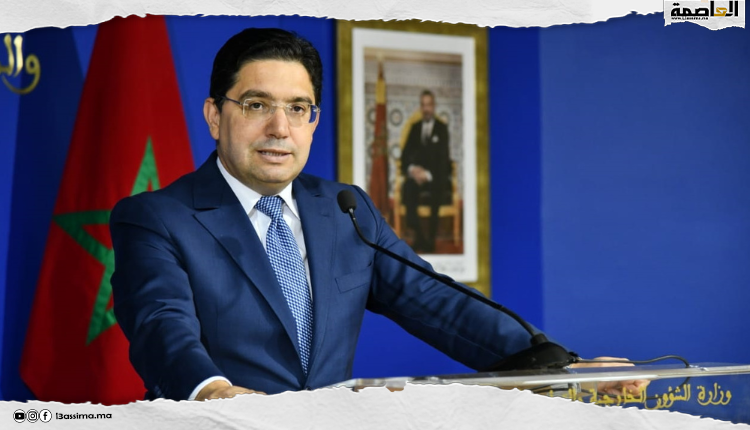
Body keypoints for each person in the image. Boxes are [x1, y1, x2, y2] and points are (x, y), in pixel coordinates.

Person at [110, 28, 646, 402]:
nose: (279, 128)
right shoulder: (156, 218)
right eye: (257, 105)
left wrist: (558, 367)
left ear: (313, 121)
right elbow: (161, 327)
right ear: (214, 116)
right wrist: (215, 393)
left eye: (297, 108)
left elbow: (439, 304)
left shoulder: (344, 210)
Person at [400, 90, 452, 253]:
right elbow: (405, 155)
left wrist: (427, 174)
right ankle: (419, 236)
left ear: (434, 106)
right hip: (417, 177)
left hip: (434, 177)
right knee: (408, 187)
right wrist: (413, 170)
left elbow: (444, 160)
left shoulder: (442, 129)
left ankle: (430, 240)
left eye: (429, 105)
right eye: (423, 105)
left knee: (437, 188)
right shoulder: (415, 128)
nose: (426, 109)